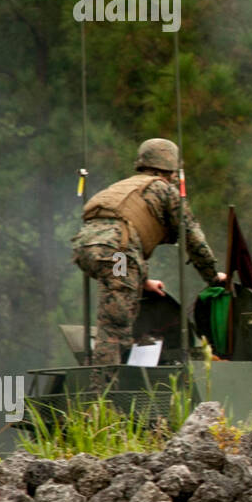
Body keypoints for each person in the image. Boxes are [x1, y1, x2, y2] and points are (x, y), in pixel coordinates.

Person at [71, 138, 227, 366]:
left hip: (87, 249)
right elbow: (192, 237)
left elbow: (120, 231)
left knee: (114, 312)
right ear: (172, 169)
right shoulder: (164, 190)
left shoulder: (125, 187)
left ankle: (101, 385)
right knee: (115, 329)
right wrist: (213, 276)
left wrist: (142, 281)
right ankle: (101, 396)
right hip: (118, 255)